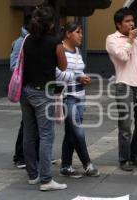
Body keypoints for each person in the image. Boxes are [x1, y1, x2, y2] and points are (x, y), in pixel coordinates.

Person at [20, 7, 67, 191]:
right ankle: (46, 180)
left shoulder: (26, 40)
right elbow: (63, 66)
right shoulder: (55, 42)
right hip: (43, 93)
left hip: (26, 91)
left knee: (29, 134)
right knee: (46, 135)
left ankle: (33, 175)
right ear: (51, 24)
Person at [106, 7, 137, 171]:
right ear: (118, 24)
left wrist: (133, 40)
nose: (131, 23)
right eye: (127, 21)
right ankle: (124, 159)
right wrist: (130, 40)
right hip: (124, 84)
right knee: (125, 124)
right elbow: (123, 58)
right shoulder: (112, 39)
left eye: (132, 20)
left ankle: (134, 154)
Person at [56, 22, 99, 178]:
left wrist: (84, 78)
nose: (81, 35)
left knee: (71, 132)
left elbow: (79, 70)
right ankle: (87, 164)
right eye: (78, 32)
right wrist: (77, 77)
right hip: (68, 97)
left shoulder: (77, 50)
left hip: (81, 96)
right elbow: (57, 73)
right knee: (78, 131)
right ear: (68, 33)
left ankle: (66, 166)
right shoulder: (59, 49)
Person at [10, 12, 31, 169]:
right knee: (27, 122)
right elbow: (13, 65)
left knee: (31, 122)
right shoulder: (20, 42)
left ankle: (31, 155)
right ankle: (20, 156)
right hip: (25, 87)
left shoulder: (32, 40)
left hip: (33, 86)